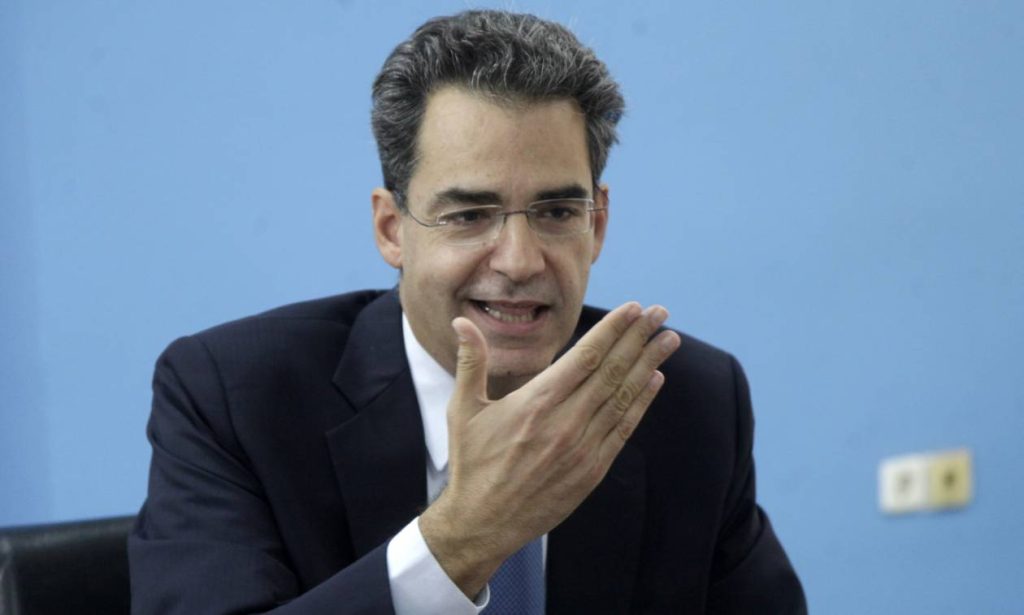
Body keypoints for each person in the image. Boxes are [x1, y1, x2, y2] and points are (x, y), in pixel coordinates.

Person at [128, 9, 806, 614]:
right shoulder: (233, 397)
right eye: (470, 214)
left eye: (556, 211)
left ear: (597, 224)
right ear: (392, 229)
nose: (519, 260)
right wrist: (463, 538)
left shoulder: (687, 402)